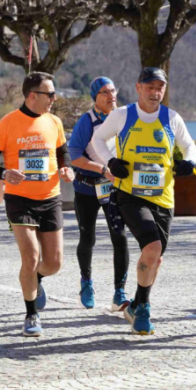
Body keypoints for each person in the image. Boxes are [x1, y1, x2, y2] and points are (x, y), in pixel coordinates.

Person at [90, 67, 196, 335]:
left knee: (156, 256)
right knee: (152, 246)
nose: (155, 92)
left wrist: (189, 162)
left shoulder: (171, 118)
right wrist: (111, 162)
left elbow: (190, 146)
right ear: (138, 88)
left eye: (160, 87)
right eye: (149, 87)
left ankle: (135, 304)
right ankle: (145, 309)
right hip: (131, 195)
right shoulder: (122, 115)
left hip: (163, 198)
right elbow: (97, 140)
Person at [0, 72, 74, 337]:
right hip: (19, 199)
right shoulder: (8, 123)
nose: (54, 99)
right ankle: (31, 314)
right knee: (31, 257)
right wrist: (3, 173)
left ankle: (36, 279)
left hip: (50, 198)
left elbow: (62, 152)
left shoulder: (54, 122)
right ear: (32, 95)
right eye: (50, 94)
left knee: (54, 263)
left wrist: (67, 169)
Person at [68, 77, 130, 311]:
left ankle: (119, 292)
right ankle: (86, 282)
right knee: (88, 238)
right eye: (104, 92)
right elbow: (74, 155)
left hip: (114, 188)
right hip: (87, 188)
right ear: (95, 97)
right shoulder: (88, 121)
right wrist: (103, 168)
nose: (111, 95)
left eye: (113, 90)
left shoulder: (123, 118)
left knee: (120, 236)